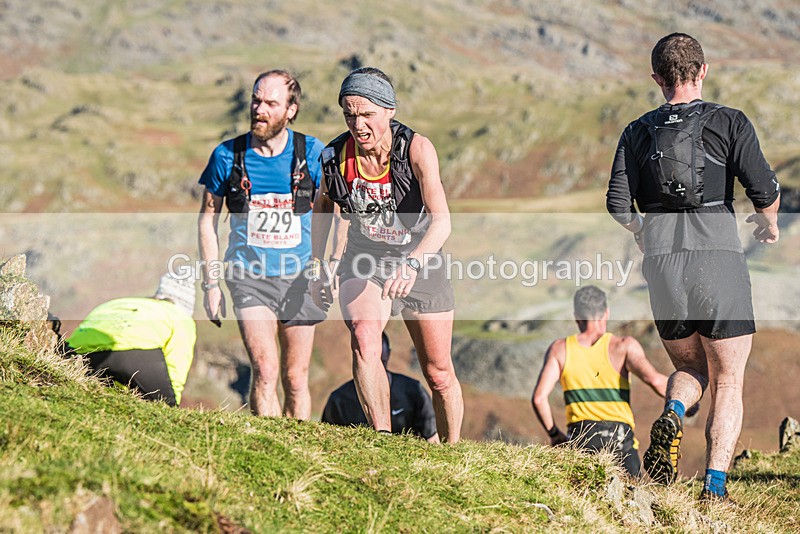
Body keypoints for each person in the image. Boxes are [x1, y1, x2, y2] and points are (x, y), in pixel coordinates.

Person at [607, 33, 780, 500]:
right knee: (728, 378)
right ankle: (714, 487)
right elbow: (764, 191)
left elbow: (618, 204)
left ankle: (673, 412)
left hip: (664, 265)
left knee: (690, 366)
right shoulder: (729, 121)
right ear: (703, 70)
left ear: (657, 78)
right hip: (717, 258)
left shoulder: (635, 132)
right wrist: (769, 224)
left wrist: (642, 231)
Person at [309, 67, 464, 442]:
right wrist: (318, 264)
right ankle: (383, 441)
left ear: (390, 110)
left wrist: (412, 264)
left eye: (367, 114)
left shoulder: (416, 149)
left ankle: (452, 453)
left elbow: (442, 221)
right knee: (364, 337)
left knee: (438, 373)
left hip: (420, 258)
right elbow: (323, 206)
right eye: (349, 115)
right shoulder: (334, 156)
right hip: (365, 258)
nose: (357, 125)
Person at [197, 69, 328, 419]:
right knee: (266, 370)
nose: (260, 109)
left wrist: (326, 266)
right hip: (249, 277)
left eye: (271, 103)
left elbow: (334, 213)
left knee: (295, 378)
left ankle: (298, 446)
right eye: (256, 100)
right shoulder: (227, 156)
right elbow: (207, 221)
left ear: (291, 110)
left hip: (301, 279)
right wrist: (211, 285)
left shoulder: (312, 153)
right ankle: (267, 443)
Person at [531, 286, 668, 476]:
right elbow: (656, 381)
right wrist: (684, 401)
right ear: (606, 313)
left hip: (580, 441)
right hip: (620, 443)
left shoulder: (560, 349)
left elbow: (539, 399)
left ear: (576, 317)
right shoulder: (623, 346)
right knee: (630, 493)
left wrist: (555, 434)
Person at [66, 271, 197, 406]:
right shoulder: (181, 317)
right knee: (164, 406)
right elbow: (176, 365)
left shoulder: (124, 303)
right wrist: (171, 401)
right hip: (134, 355)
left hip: (80, 350)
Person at [322, 332, 439, 442]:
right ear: (357, 354)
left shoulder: (414, 390)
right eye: (369, 359)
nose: (376, 364)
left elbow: (432, 438)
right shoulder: (339, 399)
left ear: (389, 353)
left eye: (381, 361)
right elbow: (326, 440)